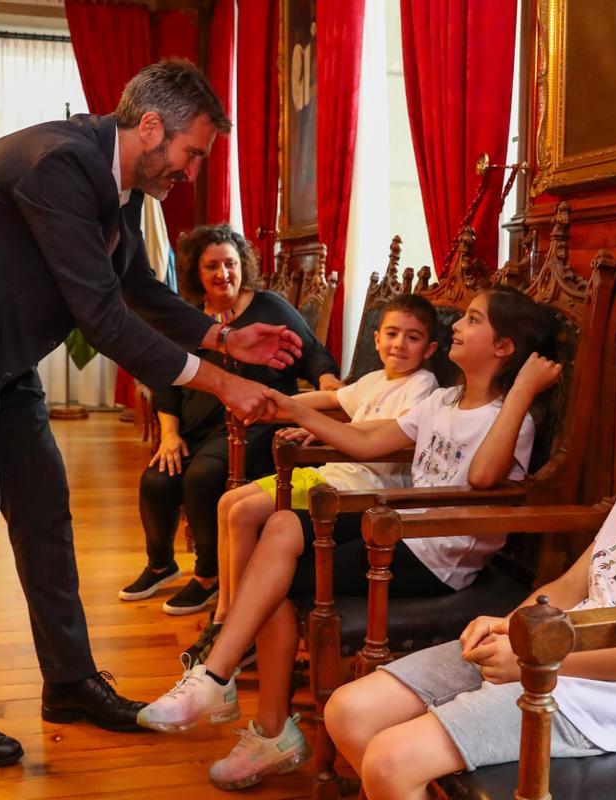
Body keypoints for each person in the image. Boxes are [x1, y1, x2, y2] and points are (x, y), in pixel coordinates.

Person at [0, 59, 304, 769]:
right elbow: (102, 316)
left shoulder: (117, 180)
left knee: (45, 509)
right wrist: (219, 382)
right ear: (150, 127)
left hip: (0, 341)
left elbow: (137, 286)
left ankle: (69, 683)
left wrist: (221, 335)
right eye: (190, 152)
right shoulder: (60, 165)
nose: (191, 170)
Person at [323, 317, 616, 800]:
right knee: (348, 711)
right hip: (547, 655)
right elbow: (572, 585)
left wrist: (539, 659)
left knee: (390, 761)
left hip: (596, 703)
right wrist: (512, 625)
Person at [136, 288, 563, 791]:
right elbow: (365, 440)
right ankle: (221, 681)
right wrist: (289, 410)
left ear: (504, 348)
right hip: (400, 532)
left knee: (276, 577)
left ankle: (246, 707)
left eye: (472, 319)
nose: (458, 326)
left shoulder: (511, 416)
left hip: (434, 555)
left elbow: (488, 477)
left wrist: (520, 394)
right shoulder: (443, 399)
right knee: (280, 527)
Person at [180, 293, 441, 664]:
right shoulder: (374, 380)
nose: (400, 344)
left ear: (429, 348)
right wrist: (267, 399)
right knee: (228, 502)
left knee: (242, 514)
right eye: (393, 334)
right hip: (333, 473)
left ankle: (242, 628)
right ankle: (225, 615)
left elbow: (393, 431)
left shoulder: (422, 385)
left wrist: (314, 426)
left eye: (412, 338)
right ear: (377, 338)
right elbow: (330, 401)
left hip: (363, 488)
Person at [120, 224, 340, 615]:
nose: (224, 274)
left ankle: (208, 576)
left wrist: (329, 386)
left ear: (244, 266)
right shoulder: (188, 319)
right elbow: (166, 381)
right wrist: (169, 434)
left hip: (255, 423)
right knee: (156, 478)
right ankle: (161, 564)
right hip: (193, 427)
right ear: (196, 273)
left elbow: (313, 352)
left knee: (202, 475)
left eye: (231, 264)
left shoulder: (269, 306)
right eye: (212, 267)